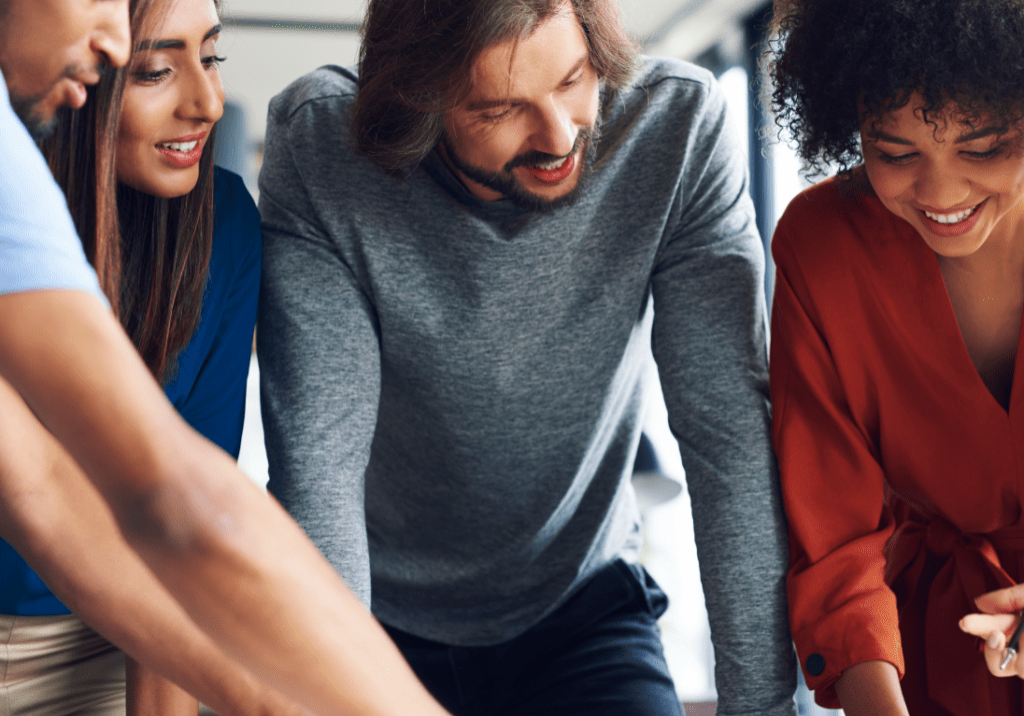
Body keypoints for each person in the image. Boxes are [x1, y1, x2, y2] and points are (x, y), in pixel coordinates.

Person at [257, 1, 796, 714]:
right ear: (421, 102)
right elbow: (317, 464)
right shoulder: (322, 147)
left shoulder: (675, 130)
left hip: (584, 606)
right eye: (500, 109)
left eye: (573, 80)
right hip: (376, 620)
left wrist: (762, 707)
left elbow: (728, 438)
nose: (561, 133)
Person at [0, 2, 451, 715]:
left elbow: (163, 523)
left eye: (212, 56)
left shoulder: (221, 226)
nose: (207, 103)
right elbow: (109, 498)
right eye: (151, 70)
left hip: (114, 627)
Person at [767, 0, 1024, 714]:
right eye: (895, 152)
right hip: (924, 659)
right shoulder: (821, 251)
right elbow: (835, 542)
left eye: (982, 146)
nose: (941, 194)